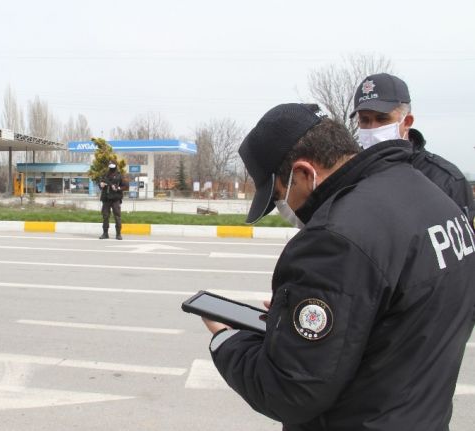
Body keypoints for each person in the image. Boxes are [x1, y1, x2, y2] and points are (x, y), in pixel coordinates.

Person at [201, 103, 475, 430]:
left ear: (304, 173)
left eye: (277, 196)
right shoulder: (432, 195)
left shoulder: (332, 240)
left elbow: (289, 391)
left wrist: (227, 341)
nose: (281, 208)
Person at [351, 72, 474, 222]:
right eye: (365, 120)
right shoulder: (352, 176)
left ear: (407, 121)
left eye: (382, 119)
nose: (373, 127)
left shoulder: (445, 180)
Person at [98, 162, 125, 240]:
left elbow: (125, 186)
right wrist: (101, 185)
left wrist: (117, 188)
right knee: (105, 216)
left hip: (115, 199)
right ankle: (105, 233)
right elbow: (100, 184)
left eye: (113, 167)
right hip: (106, 199)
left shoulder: (120, 175)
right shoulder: (105, 175)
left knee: (117, 216)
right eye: (110, 167)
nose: (111, 169)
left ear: (116, 167)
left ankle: (118, 234)